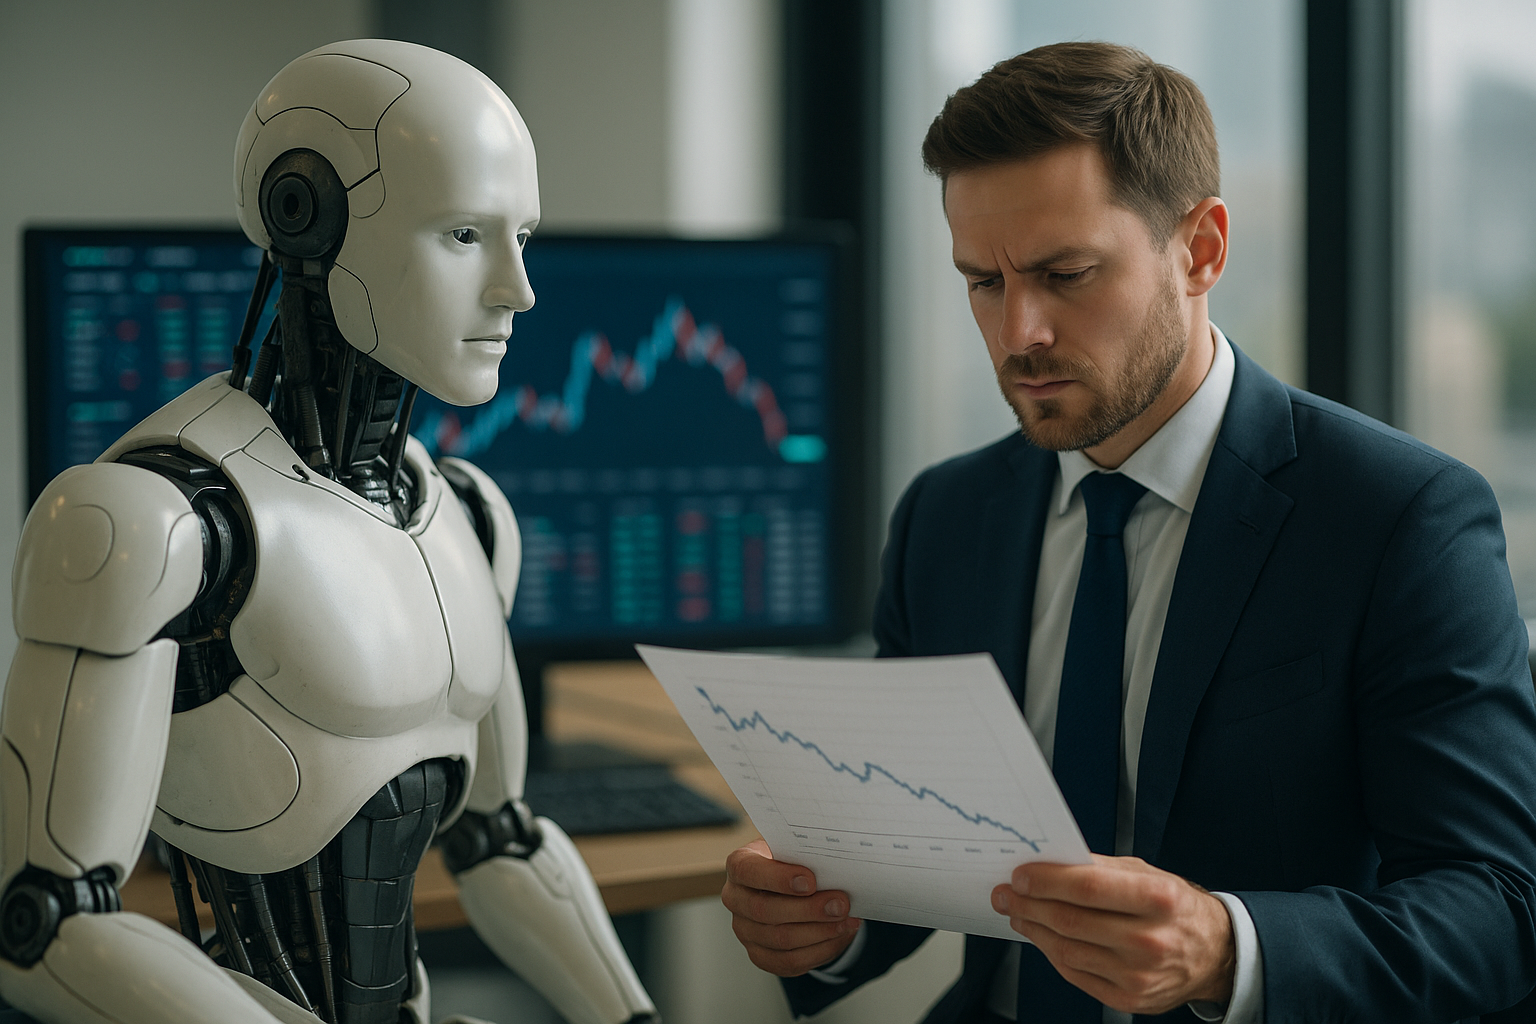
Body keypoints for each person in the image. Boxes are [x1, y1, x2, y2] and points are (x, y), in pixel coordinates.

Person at [721, 41, 1536, 1024]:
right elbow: (919, 859)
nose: (1019, 332)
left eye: (1066, 273)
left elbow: (1499, 909)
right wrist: (826, 926)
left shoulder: (1399, 517)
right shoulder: (946, 517)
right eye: (983, 281)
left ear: (1202, 250)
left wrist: (1226, 948)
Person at [0, 40, 655, 1024]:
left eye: (522, 236)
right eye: (464, 234)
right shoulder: (156, 521)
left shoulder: (467, 513)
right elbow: (41, 923)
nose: (517, 289)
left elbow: (499, 841)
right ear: (303, 213)